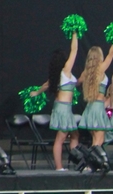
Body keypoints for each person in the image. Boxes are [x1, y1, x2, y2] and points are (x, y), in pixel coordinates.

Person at [41, 33, 80, 171]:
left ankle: (78, 163)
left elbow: (45, 86)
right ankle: (59, 167)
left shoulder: (57, 76)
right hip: (63, 109)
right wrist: (75, 32)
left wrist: (35, 93)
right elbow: (74, 50)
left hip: (62, 107)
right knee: (61, 138)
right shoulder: (65, 71)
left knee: (74, 135)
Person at [78, 44, 113, 147]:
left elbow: (76, 83)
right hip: (98, 109)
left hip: (90, 108)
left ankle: (90, 162)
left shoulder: (85, 73)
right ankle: (90, 162)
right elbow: (111, 53)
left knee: (96, 140)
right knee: (98, 141)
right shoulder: (100, 69)